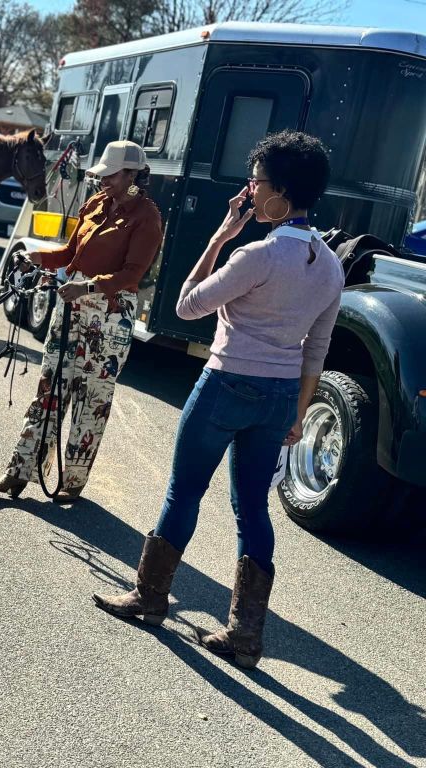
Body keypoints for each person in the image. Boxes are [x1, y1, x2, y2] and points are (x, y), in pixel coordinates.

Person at [93, 130, 343, 669]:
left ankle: (150, 596)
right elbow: (316, 349)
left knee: (184, 491)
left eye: (256, 183)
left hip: (227, 382)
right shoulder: (329, 264)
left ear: (279, 191)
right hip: (279, 397)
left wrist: (221, 236)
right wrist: (299, 413)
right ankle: (246, 633)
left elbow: (186, 307)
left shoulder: (257, 254)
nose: (250, 192)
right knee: (252, 508)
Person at [0, 140, 164, 502]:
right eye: (102, 175)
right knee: (49, 389)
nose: (102, 181)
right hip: (72, 306)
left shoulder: (146, 217)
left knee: (90, 399)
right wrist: (35, 256)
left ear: (132, 175)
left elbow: (133, 274)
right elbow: (70, 253)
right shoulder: (96, 204)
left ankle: (72, 482)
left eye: (111, 176)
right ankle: (18, 472)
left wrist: (86, 287)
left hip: (110, 315)